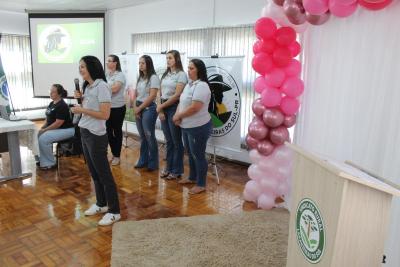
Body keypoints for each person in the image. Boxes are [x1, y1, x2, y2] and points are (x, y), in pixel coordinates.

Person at [71, 55, 121, 226]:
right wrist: (81, 99)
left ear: (92, 68)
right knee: (94, 172)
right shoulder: (89, 86)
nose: (80, 70)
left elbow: (105, 115)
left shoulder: (102, 86)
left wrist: (81, 109)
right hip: (85, 131)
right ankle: (101, 204)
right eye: (80, 66)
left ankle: (114, 211)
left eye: (83, 67)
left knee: (104, 174)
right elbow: (89, 109)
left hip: (96, 135)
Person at [173, 59, 212, 194]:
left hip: (198, 127)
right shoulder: (189, 84)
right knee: (190, 153)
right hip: (187, 126)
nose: (188, 70)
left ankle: (201, 184)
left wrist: (179, 116)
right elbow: (181, 102)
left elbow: (195, 108)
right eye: (188, 68)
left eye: (191, 68)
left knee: (198, 155)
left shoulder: (202, 86)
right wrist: (177, 115)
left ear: (199, 70)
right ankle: (192, 177)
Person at [157, 50, 187, 180]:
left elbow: (177, 95)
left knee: (176, 141)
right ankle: (168, 168)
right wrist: (161, 109)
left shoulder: (181, 75)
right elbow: (159, 92)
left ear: (177, 59)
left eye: (170, 58)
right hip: (163, 106)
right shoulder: (165, 74)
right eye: (167, 58)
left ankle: (177, 170)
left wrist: (161, 107)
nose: (167, 60)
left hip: (174, 107)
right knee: (168, 141)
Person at [37, 84, 74, 170]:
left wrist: (45, 130)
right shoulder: (52, 103)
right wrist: (43, 127)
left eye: (53, 92)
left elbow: (58, 123)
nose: (50, 93)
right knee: (36, 135)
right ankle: (41, 160)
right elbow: (48, 117)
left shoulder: (62, 105)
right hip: (55, 129)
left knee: (43, 138)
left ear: (59, 94)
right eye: (50, 91)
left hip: (66, 130)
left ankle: (49, 163)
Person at [134, 55, 160, 171]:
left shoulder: (153, 77)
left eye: (142, 63)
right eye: (139, 63)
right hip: (139, 106)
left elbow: (152, 96)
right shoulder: (140, 77)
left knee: (149, 136)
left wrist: (140, 109)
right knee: (143, 137)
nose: (140, 65)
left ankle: (153, 162)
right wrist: (135, 107)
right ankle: (143, 160)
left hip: (149, 108)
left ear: (148, 64)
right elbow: (136, 94)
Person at [105, 54, 127, 166]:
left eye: (109, 61)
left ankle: (117, 156)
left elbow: (115, 89)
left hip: (118, 108)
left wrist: (103, 90)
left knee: (116, 131)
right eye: (107, 61)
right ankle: (113, 153)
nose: (107, 63)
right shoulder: (107, 75)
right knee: (108, 132)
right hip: (108, 107)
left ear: (115, 63)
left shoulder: (120, 75)